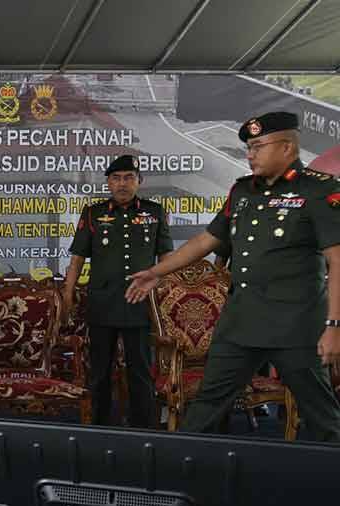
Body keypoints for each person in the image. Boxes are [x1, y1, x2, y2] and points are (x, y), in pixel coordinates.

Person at [126, 112, 340, 441]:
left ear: (286, 147)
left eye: (258, 146)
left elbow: (337, 261)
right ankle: (182, 465)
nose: (250, 155)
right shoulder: (242, 192)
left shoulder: (319, 190)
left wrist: (334, 326)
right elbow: (206, 240)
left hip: (295, 326)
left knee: (322, 416)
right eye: (248, 148)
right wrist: (156, 272)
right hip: (241, 322)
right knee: (207, 405)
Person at [63, 154, 172, 428]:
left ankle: (143, 430)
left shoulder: (155, 212)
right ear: (109, 183)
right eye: (116, 178)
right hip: (103, 303)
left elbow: (166, 259)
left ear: (139, 181)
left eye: (128, 177)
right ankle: (99, 428)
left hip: (140, 304)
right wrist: (67, 294)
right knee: (99, 372)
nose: (122, 184)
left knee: (141, 371)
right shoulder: (93, 213)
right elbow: (77, 259)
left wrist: (159, 287)